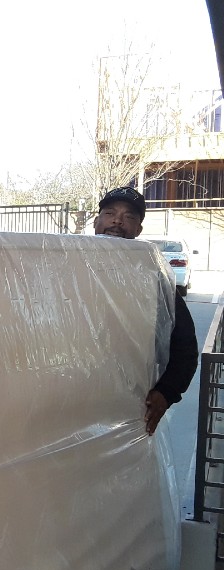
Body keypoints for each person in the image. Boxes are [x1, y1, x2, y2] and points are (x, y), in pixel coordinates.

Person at [94, 186, 198, 434]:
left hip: (130, 408)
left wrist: (167, 392)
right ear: (96, 222)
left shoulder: (153, 277)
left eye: (129, 216)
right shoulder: (65, 265)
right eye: (110, 213)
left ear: (138, 230)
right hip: (68, 407)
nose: (118, 221)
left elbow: (185, 345)